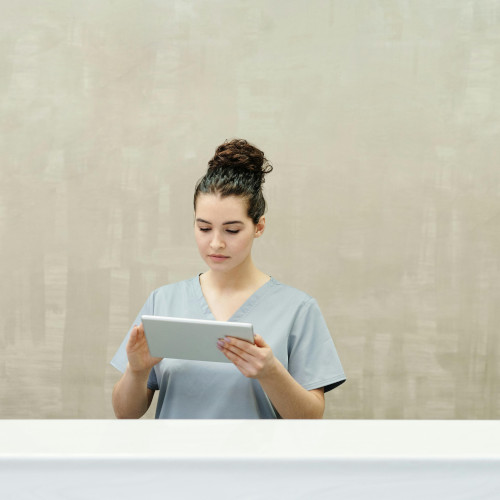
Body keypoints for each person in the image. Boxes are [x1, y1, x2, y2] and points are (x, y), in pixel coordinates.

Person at [111, 139, 345, 419]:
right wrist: (136, 371)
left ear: (259, 226)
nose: (216, 243)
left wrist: (271, 373)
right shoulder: (163, 301)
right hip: (176, 461)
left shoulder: (297, 309)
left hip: (258, 462)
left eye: (232, 230)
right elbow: (126, 414)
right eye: (204, 228)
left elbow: (311, 418)